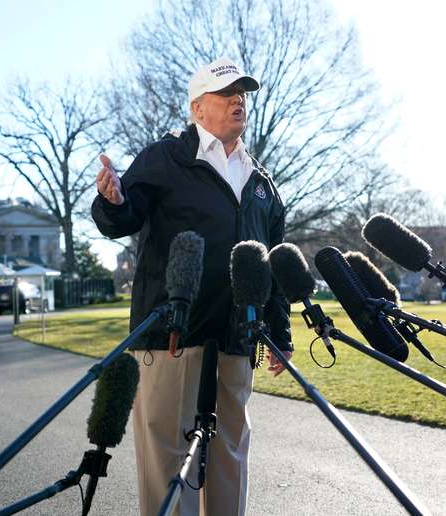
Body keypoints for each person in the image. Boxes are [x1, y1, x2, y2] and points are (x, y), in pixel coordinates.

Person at [92, 56, 292, 516]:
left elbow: (273, 263)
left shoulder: (261, 181)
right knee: (168, 464)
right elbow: (124, 215)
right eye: (226, 94)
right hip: (172, 336)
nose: (238, 101)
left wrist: (278, 335)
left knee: (230, 458)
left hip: (238, 339)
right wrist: (112, 201)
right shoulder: (165, 158)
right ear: (198, 108)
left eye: (242, 94)